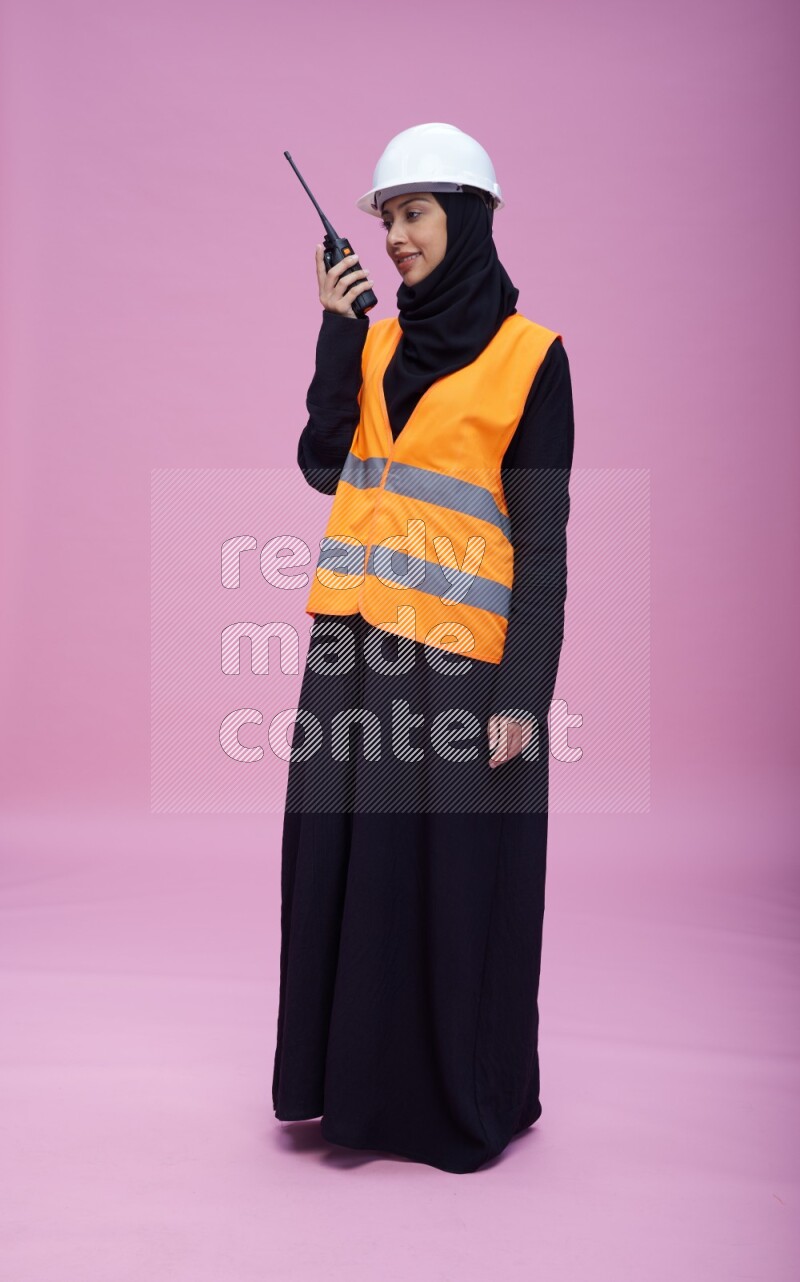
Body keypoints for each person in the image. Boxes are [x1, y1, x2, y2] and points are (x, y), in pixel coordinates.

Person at [272, 123, 575, 1174]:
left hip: (458, 667)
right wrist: (330, 330)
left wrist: (520, 700)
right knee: (352, 872)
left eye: (413, 213)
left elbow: (541, 543)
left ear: (468, 215)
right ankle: (347, 1096)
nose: (396, 236)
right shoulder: (375, 342)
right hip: (349, 653)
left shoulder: (531, 359)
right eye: (386, 217)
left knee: (447, 883)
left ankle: (451, 1101)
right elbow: (322, 464)